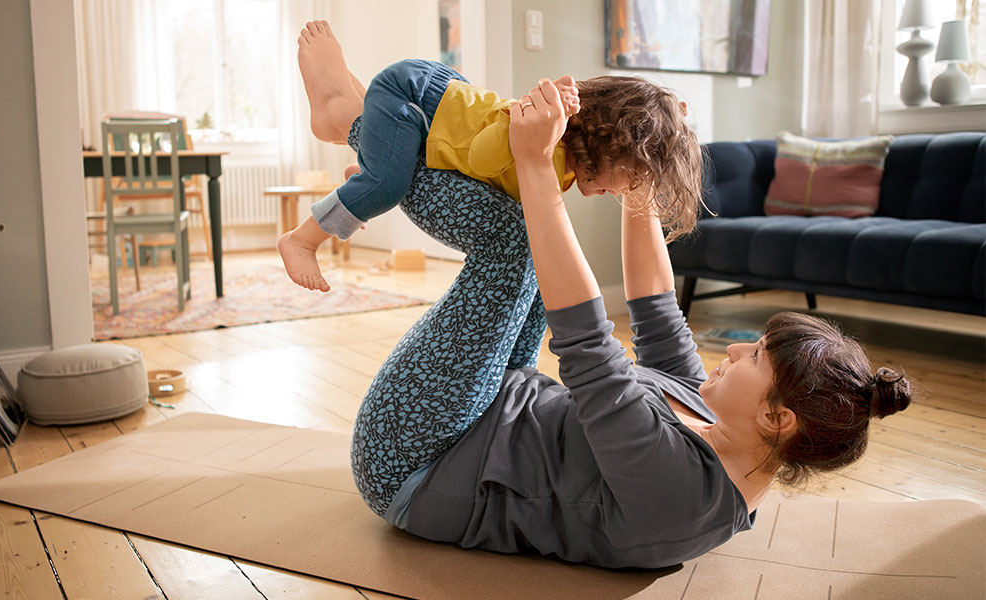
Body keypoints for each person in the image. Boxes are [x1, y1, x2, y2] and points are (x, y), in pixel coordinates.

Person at [311, 34, 913, 568]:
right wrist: (645, 175)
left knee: (514, 241)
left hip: (417, 456)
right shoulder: (719, 420)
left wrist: (534, 164)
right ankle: (378, 131)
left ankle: (358, 125)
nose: (731, 350)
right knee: (520, 229)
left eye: (753, 357)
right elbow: (655, 308)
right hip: (489, 406)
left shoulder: (679, 492)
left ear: (776, 417)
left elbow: (589, 348)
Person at [278, 20, 700, 292]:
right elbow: (481, 160)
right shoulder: (542, 138)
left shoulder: (563, 167)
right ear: (605, 145)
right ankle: (302, 239)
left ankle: (363, 145)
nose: (614, 193)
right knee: (386, 185)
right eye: (617, 180)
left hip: (439, 107)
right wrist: (519, 128)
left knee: (395, 168)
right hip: (414, 93)